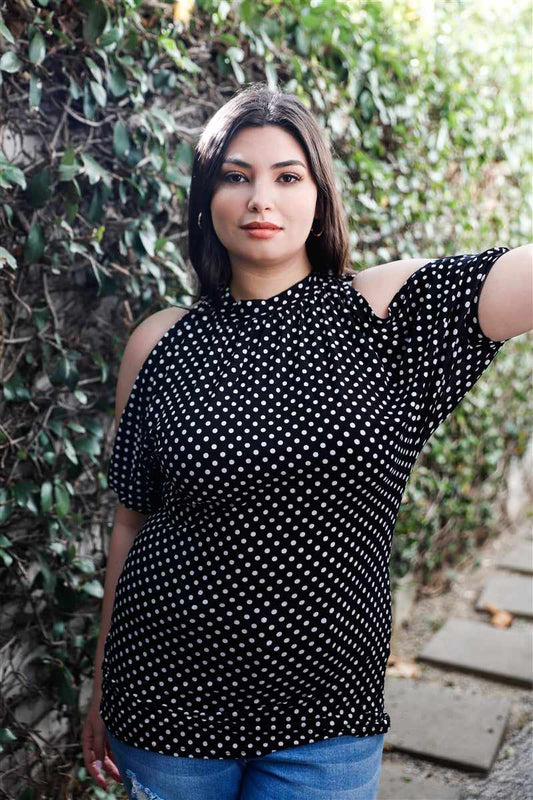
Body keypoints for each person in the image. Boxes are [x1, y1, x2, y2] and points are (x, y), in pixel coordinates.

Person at [82, 82, 531, 799]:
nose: (262, 198)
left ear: (318, 197)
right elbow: (131, 522)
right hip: (164, 697)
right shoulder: (160, 341)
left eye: (287, 177)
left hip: (326, 714)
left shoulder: (386, 317)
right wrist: (103, 681)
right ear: (206, 200)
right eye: (236, 176)